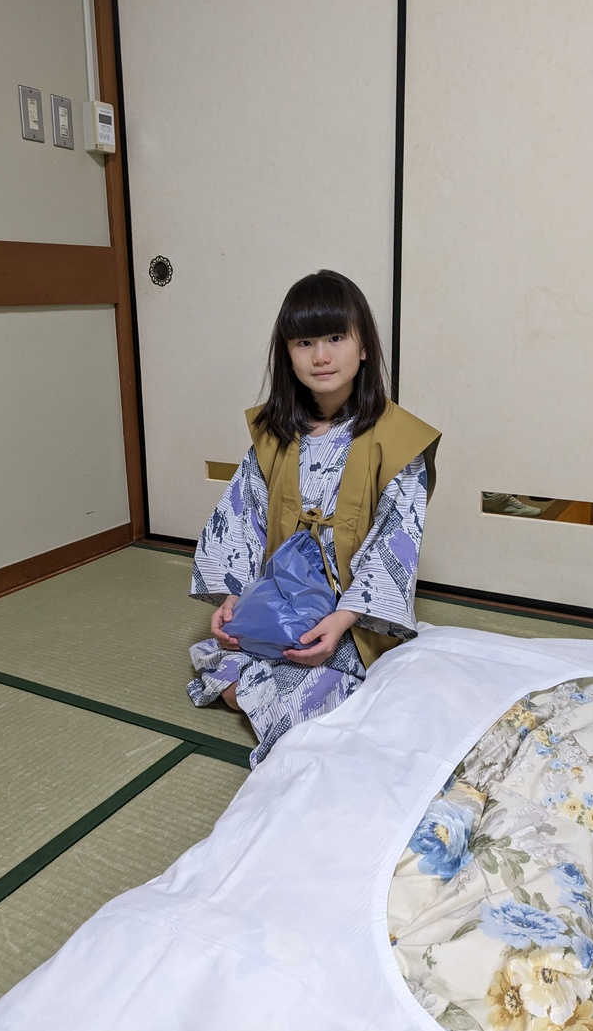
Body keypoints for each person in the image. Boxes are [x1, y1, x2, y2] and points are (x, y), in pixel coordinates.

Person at [188, 270, 441, 767]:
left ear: (363, 347)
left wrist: (343, 618)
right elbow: (241, 518)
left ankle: (315, 683)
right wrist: (233, 596)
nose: (321, 356)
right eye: (304, 342)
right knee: (226, 669)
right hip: (280, 598)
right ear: (287, 353)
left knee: (319, 704)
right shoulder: (273, 433)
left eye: (335, 338)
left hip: (348, 614)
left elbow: (396, 541)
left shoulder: (397, 440)